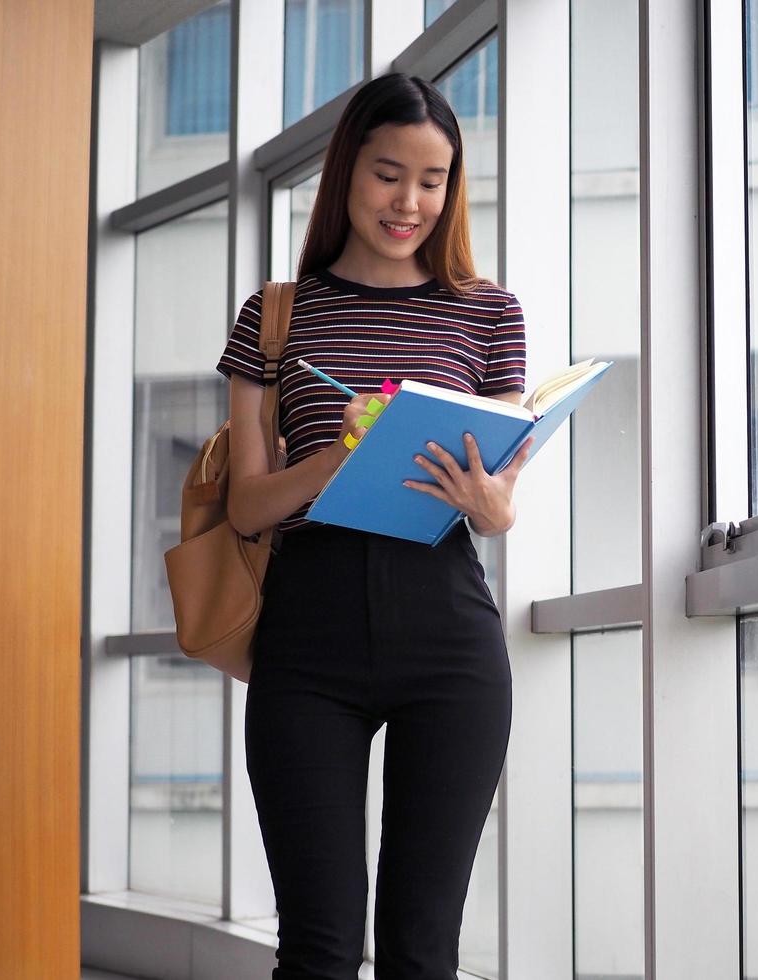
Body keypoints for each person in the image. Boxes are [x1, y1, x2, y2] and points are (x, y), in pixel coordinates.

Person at [216, 72, 529, 980]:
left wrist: (486, 498)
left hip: (449, 634)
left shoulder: (487, 312)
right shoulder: (276, 316)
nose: (410, 202)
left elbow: (502, 505)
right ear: (347, 168)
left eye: (432, 180)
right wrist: (329, 463)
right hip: (308, 640)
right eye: (390, 173)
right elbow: (245, 505)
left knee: (421, 953)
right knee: (316, 948)